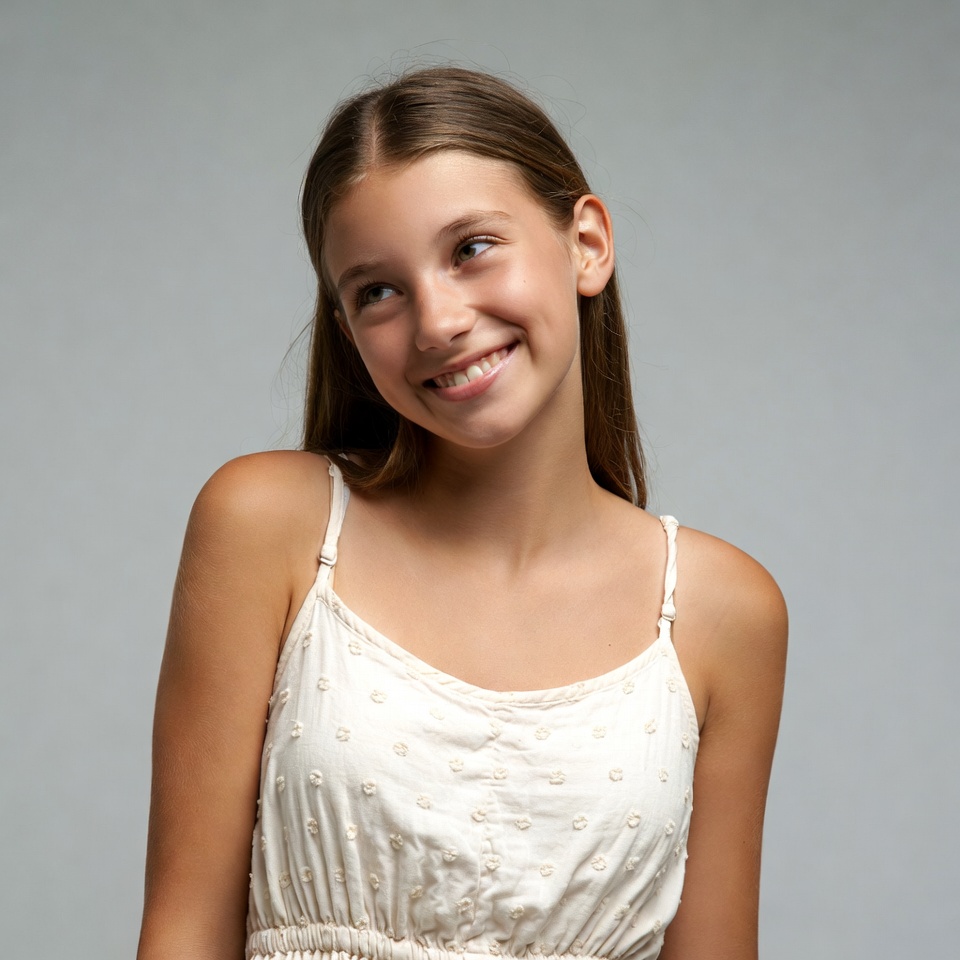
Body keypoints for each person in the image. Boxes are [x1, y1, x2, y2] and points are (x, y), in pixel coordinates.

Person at [137, 67, 787, 960]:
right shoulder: (267, 525)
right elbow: (180, 935)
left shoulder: (723, 612)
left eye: (472, 247)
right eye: (377, 290)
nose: (438, 320)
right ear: (346, 328)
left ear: (587, 243)